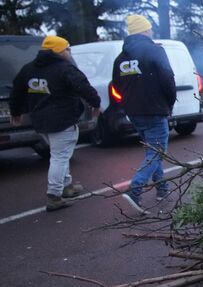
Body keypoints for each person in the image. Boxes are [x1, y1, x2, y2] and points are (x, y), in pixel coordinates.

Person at [9, 36, 101, 212]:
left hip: (40, 121)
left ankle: (66, 186)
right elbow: (84, 87)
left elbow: (17, 91)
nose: (69, 52)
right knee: (59, 156)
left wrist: (15, 112)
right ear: (59, 51)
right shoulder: (65, 69)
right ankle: (54, 195)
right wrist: (96, 103)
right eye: (67, 49)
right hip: (62, 120)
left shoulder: (28, 69)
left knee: (60, 153)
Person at [112, 15, 176, 213]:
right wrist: (169, 102)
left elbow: (116, 86)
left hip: (135, 113)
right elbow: (168, 78)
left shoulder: (121, 58)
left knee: (152, 151)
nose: (152, 32)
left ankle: (162, 187)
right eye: (150, 29)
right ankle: (135, 189)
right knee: (156, 152)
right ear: (145, 31)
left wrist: (128, 104)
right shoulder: (155, 51)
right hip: (155, 110)